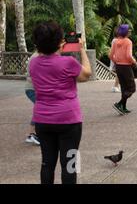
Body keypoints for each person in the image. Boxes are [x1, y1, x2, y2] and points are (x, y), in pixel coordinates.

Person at [30, 21, 92, 184]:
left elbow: (45, 56)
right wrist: (81, 49)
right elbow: (86, 75)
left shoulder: (33, 63)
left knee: (47, 163)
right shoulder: (68, 62)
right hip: (69, 121)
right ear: (59, 41)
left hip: (43, 120)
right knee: (70, 164)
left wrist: (55, 47)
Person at [109, 24, 137, 115]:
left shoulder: (116, 41)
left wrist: (116, 61)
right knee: (132, 88)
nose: (130, 32)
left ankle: (123, 108)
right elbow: (129, 56)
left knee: (124, 87)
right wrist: (134, 62)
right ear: (126, 32)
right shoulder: (128, 42)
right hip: (126, 67)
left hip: (118, 67)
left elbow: (110, 55)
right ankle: (120, 103)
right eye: (129, 31)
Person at [25, 52, 40, 146]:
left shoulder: (39, 55)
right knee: (41, 108)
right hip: (32, 89)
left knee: (39, 109)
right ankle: (31, 135)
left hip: (34, 88)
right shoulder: (36, 57)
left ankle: (31, 135)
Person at [109, 27, 121, 93]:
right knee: (119, 73)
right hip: (116, 58)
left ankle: (117, 86)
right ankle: (115, 86)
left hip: (117, 58)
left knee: (120, 73)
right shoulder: (115, 40)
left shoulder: (116, 40)